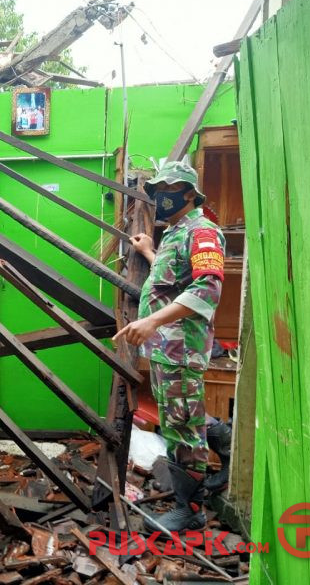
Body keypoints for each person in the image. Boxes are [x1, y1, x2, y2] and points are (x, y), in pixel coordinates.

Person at [113, 161, 225, 533]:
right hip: (167, 347)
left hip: (181, 346)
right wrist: (149, 252)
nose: (161, 197)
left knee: (182, 424)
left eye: (168, 189)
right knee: (180, 412)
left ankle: (190, 510)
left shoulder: (203, 231)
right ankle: (227, 444)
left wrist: (151, 321)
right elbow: (171, 278)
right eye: (158, 190)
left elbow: (207, 287)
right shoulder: (178, 232)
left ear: (190, 193)